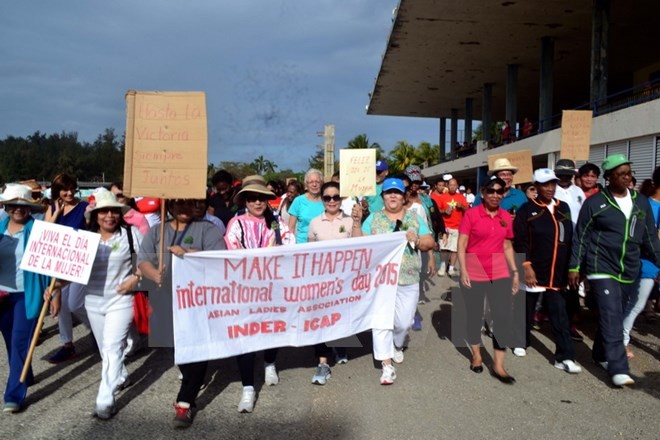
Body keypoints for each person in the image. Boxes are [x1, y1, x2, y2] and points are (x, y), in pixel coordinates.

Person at [568, 154, 660, 387]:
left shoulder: (641, 202)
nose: (627, 178)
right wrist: (575, 266)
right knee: (611, 314)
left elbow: (649, 237)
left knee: (615, 314)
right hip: (601, 266)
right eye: (621, 174)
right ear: (609, 178)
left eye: (629, 173)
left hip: (629, 268)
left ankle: (600, 355)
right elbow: (581, 237)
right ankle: (619, 367)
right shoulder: (595, 203)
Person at [137, 198, 224, 428]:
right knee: (174, 346)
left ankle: (185, 403)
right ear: (170, 206)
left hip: (197, 298)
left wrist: (188, 253)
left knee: (196, 348)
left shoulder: (207, 228)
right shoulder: (158, 230)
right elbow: (143, 259)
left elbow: (219, 258)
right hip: (164, 296)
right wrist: (153, 273)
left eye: (191, 204)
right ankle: (192, 377)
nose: (185, 209)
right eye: (179, 204)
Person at [353, 178, 435, 385]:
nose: (392, 196)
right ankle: (386, 366)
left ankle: (397, 345)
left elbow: (429, 241)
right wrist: (355, 222)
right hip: (380, 280)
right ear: (382, 197)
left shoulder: (414, 218)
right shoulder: (373, 218)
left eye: (397, 193)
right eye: (388, 192)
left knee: (403, 322)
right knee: (381, 321)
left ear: (403, 196)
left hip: (408, 278)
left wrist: (416, 240)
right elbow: (358, 242)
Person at [225, 178, 294, 412]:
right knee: (245, 334)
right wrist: (265, 254)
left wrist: (280, 250)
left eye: (262, 198)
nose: (257, 202)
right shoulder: (236, 223)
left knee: (271, 327)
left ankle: (270, 362)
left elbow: (290, 246)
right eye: (252, 198)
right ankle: (247, 388)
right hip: (245, 289)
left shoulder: (276, 223)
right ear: (245, 200)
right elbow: (234, 251)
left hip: (272, 287)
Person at [80, 189, 143, 419]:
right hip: (93, 302)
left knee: (113, 349)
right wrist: (55, 288)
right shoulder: (84, 239)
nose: (109, 216)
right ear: (95, 215)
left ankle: (105, 400)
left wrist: (134, 281)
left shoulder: (131, 234)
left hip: (121, 300)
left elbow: (149, 264)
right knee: (105, 350)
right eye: (103, 211)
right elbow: (70, 273)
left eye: (113, 211)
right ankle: (121, 375)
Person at [512, 169, 582, 373]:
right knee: (526, 309)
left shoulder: (564, 208)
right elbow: (519, 241)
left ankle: (565, 357)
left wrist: (573, 266)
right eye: (545, 184)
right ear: (536, 187)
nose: (550, 188)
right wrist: (525, 266)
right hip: (534, 270)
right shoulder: (527, 209)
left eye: (553, 184)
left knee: (560, 314)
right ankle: (520, 340)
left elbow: (570, 237)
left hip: (558, 273)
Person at [457, 177, 519, 384]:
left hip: (499, 271)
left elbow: (508, 246)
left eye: (499, 191)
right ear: (483, 192)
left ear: (503, 194)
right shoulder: (471, 214)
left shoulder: (505, 217)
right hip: (474, 270)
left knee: (502, 316)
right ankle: (476, 354)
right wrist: (463, 269)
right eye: (490, 191)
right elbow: (462, 243)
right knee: (474, 314)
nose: (495, 195)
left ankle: (499, 364)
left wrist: (515, 272)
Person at [0, 184, 50, 413]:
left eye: (23, 206)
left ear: (30, 208)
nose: (18, 209)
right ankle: (25, 374)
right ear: (7, 206)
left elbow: (52, 264)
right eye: (14, 205)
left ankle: (14, 395)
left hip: (27, 294)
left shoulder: (40, 231)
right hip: (2, 294)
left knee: (21, 341)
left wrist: (53, 291)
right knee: (11, 342)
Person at [307, 182, 361, 385]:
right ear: (322, 199)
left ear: (341, 199)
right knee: (321, 319)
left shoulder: (349, 221)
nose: (331, 201)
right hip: (320, 280)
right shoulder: (314, 222)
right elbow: (309, 251)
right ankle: (323, 363)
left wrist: (356, 222)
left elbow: (359, 245)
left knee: (340, 316)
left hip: (344, 280)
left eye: (335, 197)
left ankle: (340, 345)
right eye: (327, 197)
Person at [45, 173, 89, 364]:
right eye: (65, 189)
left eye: (72, 188)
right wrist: (56, 213)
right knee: (61, 306)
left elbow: (91, 228)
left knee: (75, 303)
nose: (69, 192)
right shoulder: (53, 207)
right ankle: (67, 345)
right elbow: (45, 231)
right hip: (59, 261)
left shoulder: (84, 207)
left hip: (78, 260)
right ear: (58, 192)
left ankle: (96, 329)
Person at [622, 167, 660, 359]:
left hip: (652, 261)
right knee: (635, 303)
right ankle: (620, 341)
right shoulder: (645, 204)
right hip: (643, 261)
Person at [552, 159, 587, 341]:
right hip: (556, 242)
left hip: (575, 242)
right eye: (561, 174)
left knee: (572, 283)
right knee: (555, 282)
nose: (564, 178)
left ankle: (570, 322)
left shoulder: (578, 191)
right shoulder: (551, 190)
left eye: (568, 175)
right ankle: (551, 317)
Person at [434, 178, 468, 277]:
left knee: (455, 249)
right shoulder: (442, 197)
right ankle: (443, 266)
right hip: (445, 227)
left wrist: (461, 206)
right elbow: (438, 211)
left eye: (454, 185)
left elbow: (467, 209)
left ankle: (451, 268)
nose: (452, 187)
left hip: (458, 227)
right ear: (447, 186)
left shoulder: (461, 197)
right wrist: (444, 211)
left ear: (457, 186)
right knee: (444, 248)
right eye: (450, 185)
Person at [288, 169, 324, 244]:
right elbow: (291, 228)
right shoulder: (298, 201)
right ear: (306, 185)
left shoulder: (327, 201)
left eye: (317, 182)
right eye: (311, 182)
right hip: (302, 245)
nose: (314, 184)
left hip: (322, 244)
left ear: (322, 183)